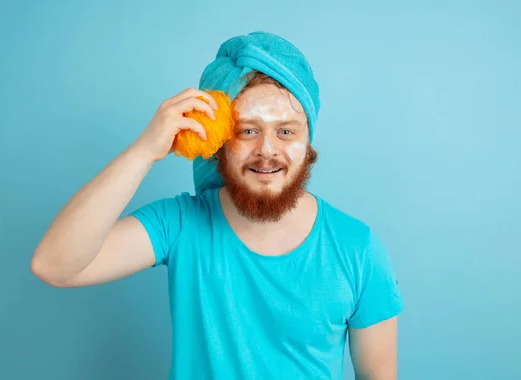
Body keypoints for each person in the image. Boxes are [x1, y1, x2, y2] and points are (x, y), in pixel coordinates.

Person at [31, 31, 404, 379]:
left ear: (308, 144)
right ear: (219, 143)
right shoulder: (178, 224)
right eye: (247, 131)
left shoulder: (358, 248)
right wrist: (145, 151)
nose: (268, 150)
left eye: (286, 131)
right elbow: (55, 266)